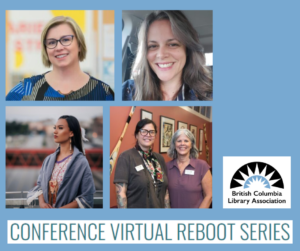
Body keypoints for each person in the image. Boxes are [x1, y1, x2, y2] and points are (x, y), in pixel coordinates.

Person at [6, 16, 114, 101]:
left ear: (79, 45)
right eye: (51, 42)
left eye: (66, 40)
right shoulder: (26, 89)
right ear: (46, 50)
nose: (59, 47)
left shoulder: (103, 93)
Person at [122, 11, 212, 101]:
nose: (161, 55)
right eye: (153, 46)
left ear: (187, 49)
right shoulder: (126, 91)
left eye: (173, 44)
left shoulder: (209, 95)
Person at [27, 115, 95, 208]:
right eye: (55, 128)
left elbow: (87, 196)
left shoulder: (81, 162)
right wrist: (42, 203)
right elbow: (39, 185)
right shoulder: (48, 160)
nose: (55, 131)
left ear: (71, 133)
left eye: (60, 128)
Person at [114, 119, 169, 208]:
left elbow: (165, 191)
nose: (148, 135)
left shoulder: (159, 159)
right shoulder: (126, 157)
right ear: (136, 135)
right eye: (144, 131)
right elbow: (121, 193)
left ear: (155, 135)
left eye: (152, 132)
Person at [167, 129, 212, 208]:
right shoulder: (167, 166)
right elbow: (165, 195)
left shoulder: (202, 166)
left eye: (186, 141)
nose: (182, 144)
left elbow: (209, 195)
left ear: (191, 145)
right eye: (179, 141)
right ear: (174, 145)